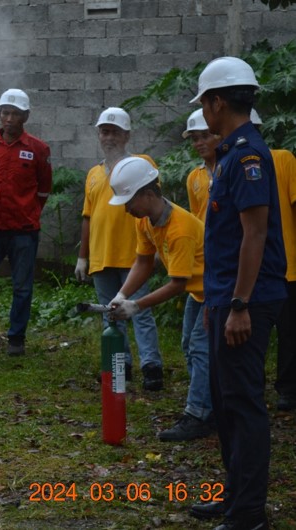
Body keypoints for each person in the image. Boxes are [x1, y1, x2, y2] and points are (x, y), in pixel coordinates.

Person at [187, 56, 286, 530]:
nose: (203, 113)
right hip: (227, 297)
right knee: (226, 403)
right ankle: (234, 498)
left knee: (244, 404)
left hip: (247, 299)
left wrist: (240, 306)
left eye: (204, 103)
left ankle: (248, 514)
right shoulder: (229, 154)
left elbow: (255, 234)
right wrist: (218, 303)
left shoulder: (248, 156)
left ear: (217, 101)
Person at [106, 157, 213, 442]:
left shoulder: (180, 229)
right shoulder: (146, 221)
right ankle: (210, 402)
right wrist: (122, 295)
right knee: (189, 345)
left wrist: (137, 305)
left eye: (129, 201)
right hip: (198, 290)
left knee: (201, 349)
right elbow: (143, 262)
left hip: (215, 292)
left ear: (149, 194)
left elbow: (177, 283)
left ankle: (200, 414)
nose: (127, 209)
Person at [75, 107, 164, 390]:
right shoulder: (92, 174)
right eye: (104, 131)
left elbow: (155, 204)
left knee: (139, 310)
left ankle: (151, 367)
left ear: (126, 135)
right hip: (102, 256)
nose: (109, 137)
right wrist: (82, 256)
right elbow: (88, 216)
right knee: (110, 313)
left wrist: (159, 246)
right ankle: (120, 365)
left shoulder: (142, 163)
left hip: (133, 254)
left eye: (114, 132)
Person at [0, 88, 51, 355]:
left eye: (15, 114)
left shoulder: (38, 149)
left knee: (21, 286)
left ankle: (16, 339)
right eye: (5, 113)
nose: (9, 119)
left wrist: (28, 212)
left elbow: (43, 189)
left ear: (25, 117)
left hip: (23, 231)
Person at [249, 110, 296, 412]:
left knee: (290, 332)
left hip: (287, 264)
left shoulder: (282, 159)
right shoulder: (232, 163)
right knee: (253, 334)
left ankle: (288, 389)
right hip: (252, 268)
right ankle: (253, 388)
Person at [183, 109, 221, 222]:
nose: (199, 143)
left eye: (205, 136)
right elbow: (195, 215)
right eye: (195, 139)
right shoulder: (193, 177)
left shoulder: (232, 168)